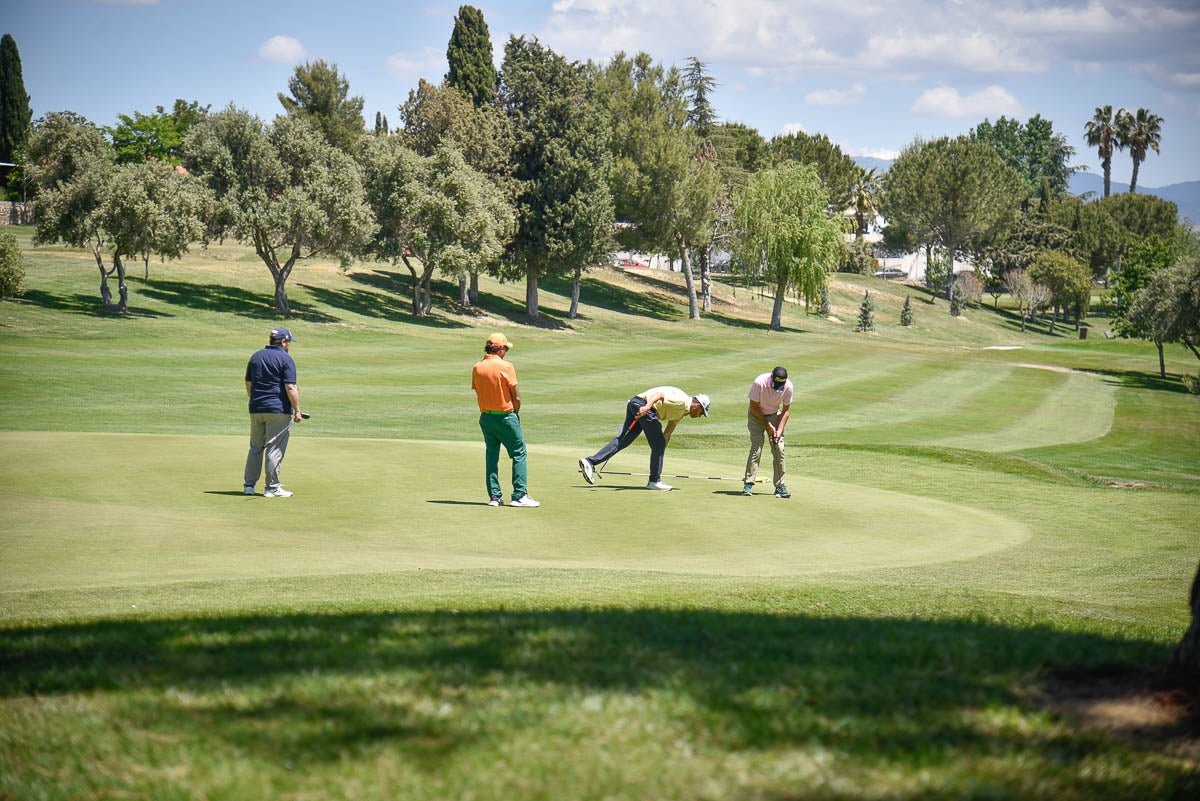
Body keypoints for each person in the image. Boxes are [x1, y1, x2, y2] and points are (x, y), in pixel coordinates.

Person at [578, 387, 710, 491]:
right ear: (697, 405)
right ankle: (654, 481)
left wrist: (662, 447)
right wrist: (646, 407)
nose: (700, 416)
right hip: (644, 406)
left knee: (624, 440)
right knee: (657, 444)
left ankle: (590, 462)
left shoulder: (683, 412)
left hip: (636, 404)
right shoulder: (682, 402)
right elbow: (659, 395)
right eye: (701, 412)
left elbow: (668, 431)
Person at [471, 332, 539, 507]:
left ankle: (494, 497)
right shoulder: (506, 366)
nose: (506, 352)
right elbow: (516, 397)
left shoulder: (477, 367)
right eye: (506, 349)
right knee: (519, 453)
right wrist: (515, 413)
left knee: (491, 455)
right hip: (506, 416)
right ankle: (519, 495)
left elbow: (478, 391)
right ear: (500, 349)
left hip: (486, 417)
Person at [243, 327, 303, 497]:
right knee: (273, 448)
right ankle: (272, 487)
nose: (289, 346)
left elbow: (248, 383)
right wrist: (297, 410)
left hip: (256, 409)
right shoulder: (285, 358)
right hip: (278, 410)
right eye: (289, 342)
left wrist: (255, 400)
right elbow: (290, 386)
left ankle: (249, 486)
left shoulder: (256, 356)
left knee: (255, 447)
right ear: (283, 342)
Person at [743, 366, 793, 498]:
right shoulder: (760, 382)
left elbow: (786, 411)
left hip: (774, 415)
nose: (777, 388)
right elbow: (753, 407)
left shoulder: (788, 386)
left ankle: (780, 486)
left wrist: (779, 429)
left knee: (779, 449)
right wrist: (768, 425)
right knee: (757, 448)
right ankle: (748, 484)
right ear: (771, 377)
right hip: (756, 415)